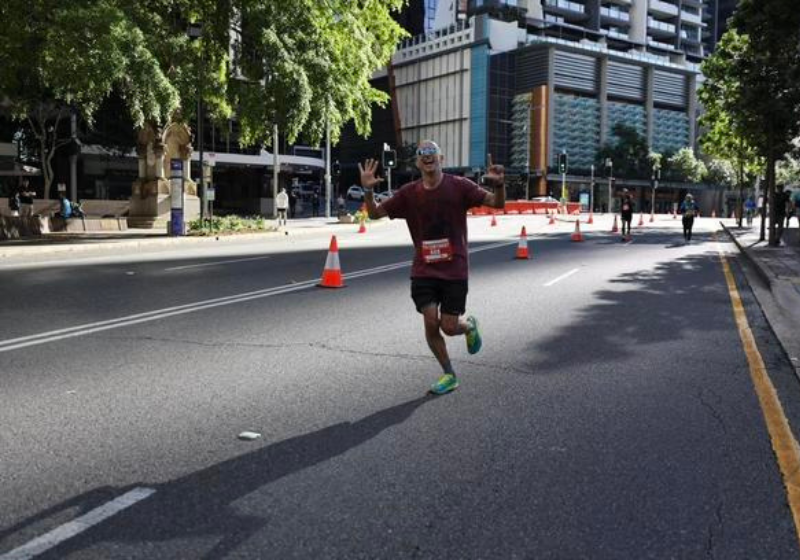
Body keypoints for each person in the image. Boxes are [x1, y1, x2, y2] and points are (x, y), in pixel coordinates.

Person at [359, 140, 505, 395]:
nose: (427, 157)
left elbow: (497, 203)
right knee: (430, 321)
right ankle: (449, 374)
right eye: (422, 154)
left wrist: (499, 185)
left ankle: (468, 326)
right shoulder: (408, 193)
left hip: (454, 269)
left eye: (431, 153)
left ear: (441, 158)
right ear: (417, 162)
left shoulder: (459, 186)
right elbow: (374, 214)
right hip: (424, 269)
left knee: (448, 327)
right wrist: (368, 192)